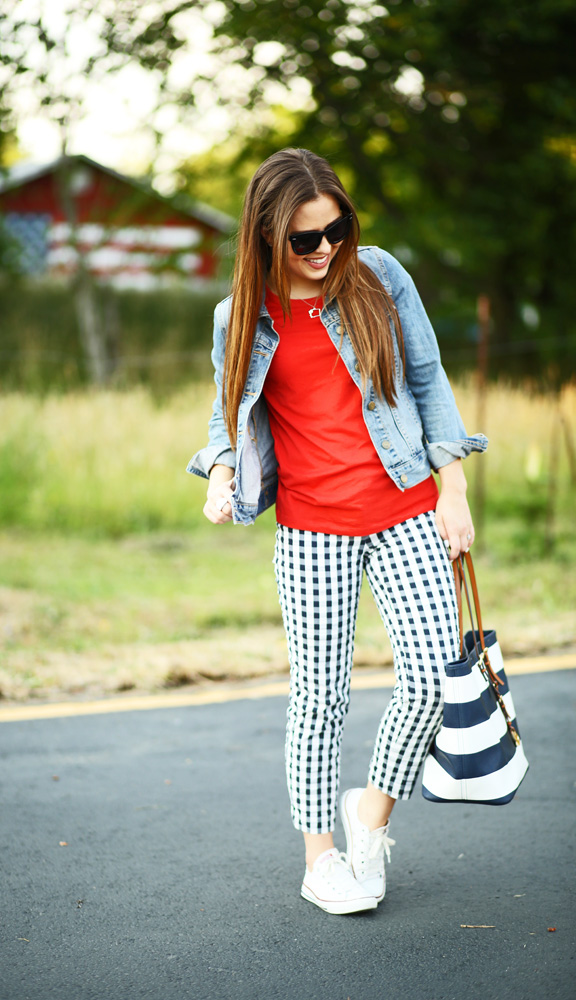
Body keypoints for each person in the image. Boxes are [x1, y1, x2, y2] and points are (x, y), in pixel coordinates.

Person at [187, 148, 487, 915]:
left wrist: (453, 486)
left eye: (335, 230)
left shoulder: (379, 276)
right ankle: (320, 859)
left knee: (432, 679)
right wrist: (221, 476)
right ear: (265, 237)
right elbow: (229, 417)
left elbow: (428, 377)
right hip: (314, 528)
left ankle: (370, 816)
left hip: (407, 507)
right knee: (319, 697)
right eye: (303, 240)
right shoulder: (239, 317)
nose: (324, 251)